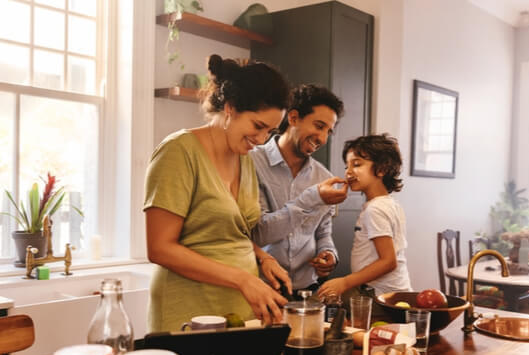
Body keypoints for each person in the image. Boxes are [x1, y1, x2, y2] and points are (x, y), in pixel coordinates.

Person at [144, 55, 293, 331]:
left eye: (270, 132)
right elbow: (159, 248)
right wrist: (244, 280)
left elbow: (226, 231)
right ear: (231, 107)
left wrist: (263, 257)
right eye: (258, 126)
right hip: (188, 311)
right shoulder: (178, 151)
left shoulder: (245, 158)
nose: (261, 140)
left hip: (239, 310)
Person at [251, 84, 348, 297]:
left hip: (307, 291)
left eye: (328, 131)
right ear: (293, 118)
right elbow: (258, 234)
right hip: (262, 288)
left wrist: (328, 253)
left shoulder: (323, 177)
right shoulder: (251, 163)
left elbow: (323, 232)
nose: (322, 139)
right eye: (319, 126)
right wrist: (311, 198)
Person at [317, 134, 412, 301]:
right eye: (346, 166)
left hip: (380, 296)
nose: (349, 172)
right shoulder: (388, 204)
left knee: (320, 304)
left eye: (357, 164)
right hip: (390, 293)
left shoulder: (375, 209)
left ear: (382, 169)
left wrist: (345, 282)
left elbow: (388, 261)